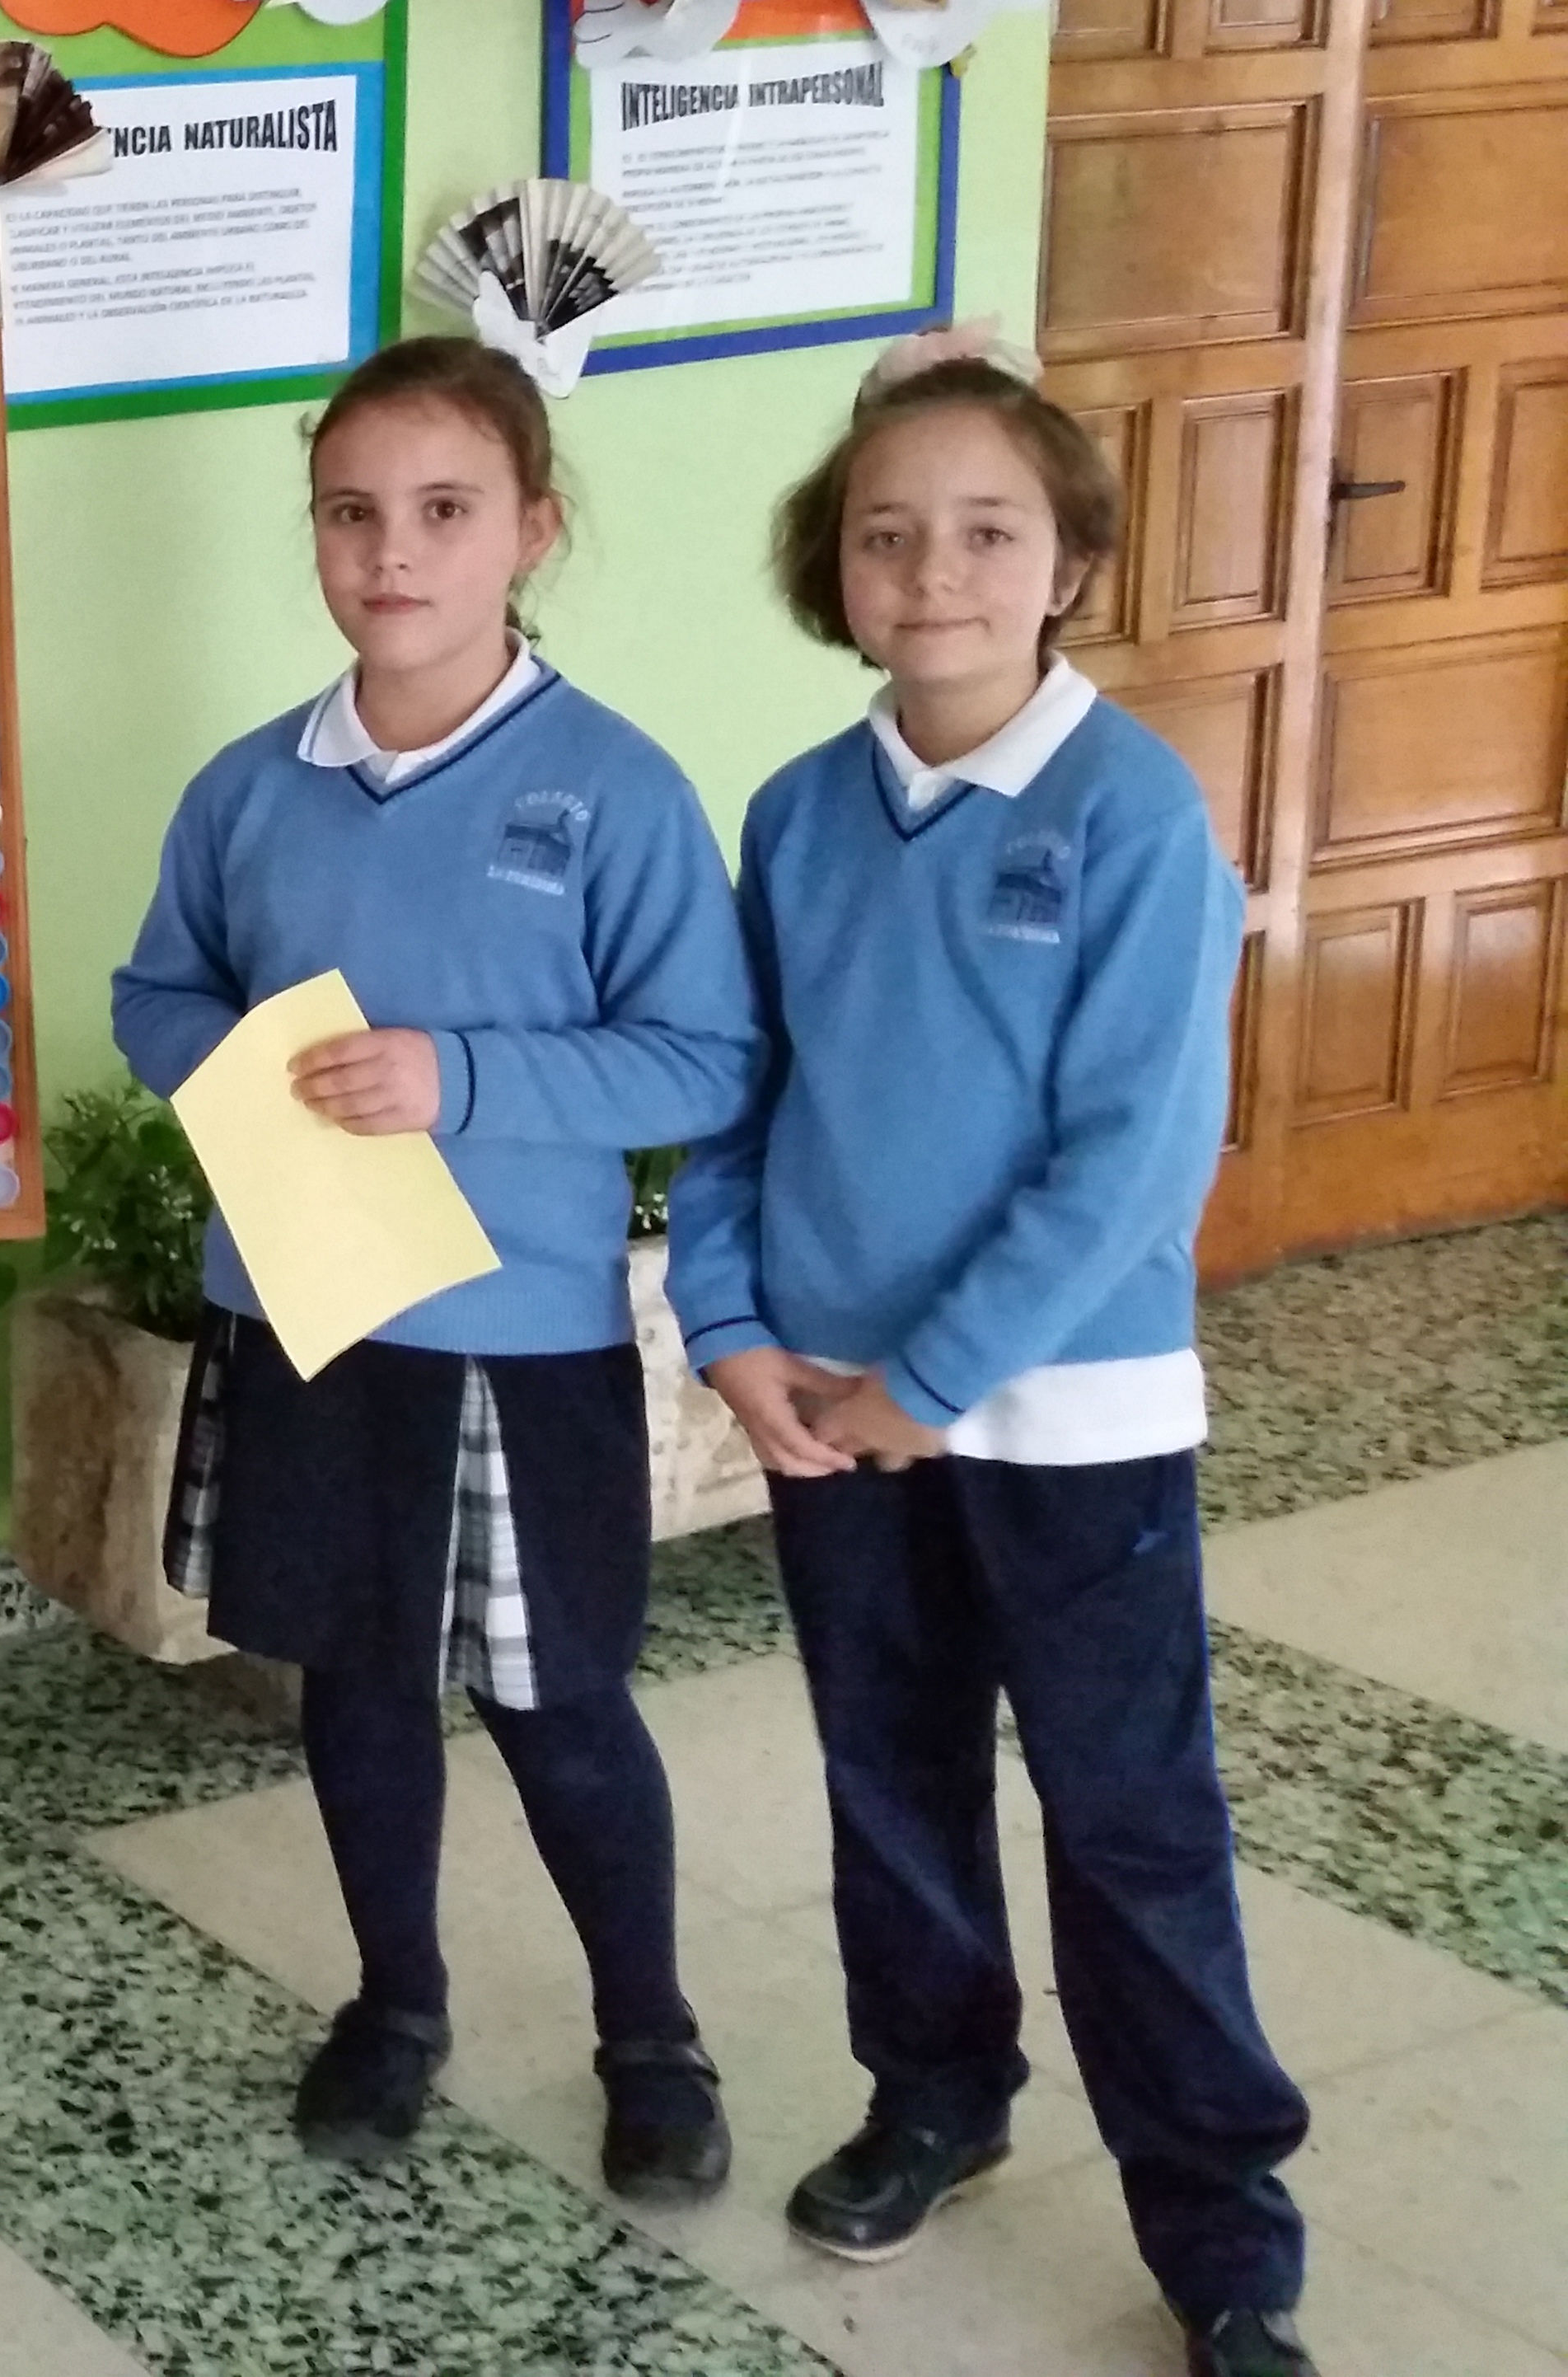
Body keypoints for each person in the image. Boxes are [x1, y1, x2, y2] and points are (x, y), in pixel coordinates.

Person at [670, 335, 1318, 2377]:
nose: (932, 573)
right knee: (893, 1776)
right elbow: (738, 1102)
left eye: (983, 531)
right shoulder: (796, 816)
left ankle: (1219, 2229)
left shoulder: (1135, 815)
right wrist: (732, 1328)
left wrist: (928, 1381)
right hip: (831, 1412)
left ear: (1068, 564)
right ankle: (935, 2095)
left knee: (1127, 1816)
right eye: (885, 535)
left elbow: (1131, 1158)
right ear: (831, 570)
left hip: (1066, 1414)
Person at [110, 335, 757, 2197]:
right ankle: (395, 2004)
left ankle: (651, 2034)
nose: (391, 551)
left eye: (444, 510)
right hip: (308, 1315)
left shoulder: (613, 789)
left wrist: (452, 1078)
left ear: (533, 532)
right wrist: (242, 1068)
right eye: (351, 512)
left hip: (517, 1335)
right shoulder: (250, 790)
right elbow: (156, 993)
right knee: (357, 1680)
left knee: (558, 1703)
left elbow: (702, 1062)